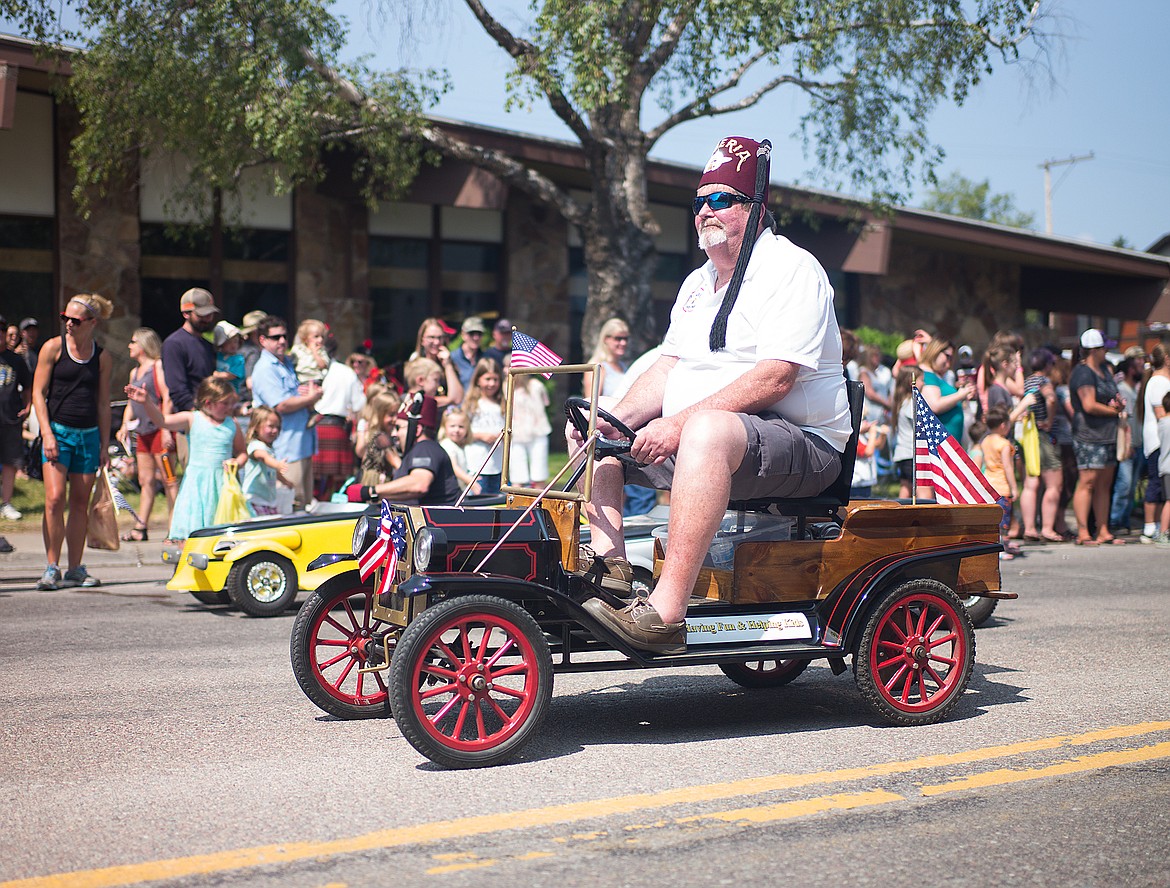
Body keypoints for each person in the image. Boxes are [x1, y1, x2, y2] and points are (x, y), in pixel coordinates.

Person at [578, 135, 851, 654]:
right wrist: (615, 417)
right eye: (701, 201)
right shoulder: (698, 283)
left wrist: (678, 425)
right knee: (595, 430)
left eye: (722, 199)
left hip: (807, 444)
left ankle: (665, 614)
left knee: (704, 431)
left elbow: (776, 379)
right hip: (719, 442)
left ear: (756, 207)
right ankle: (609, 570)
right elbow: (670, 364)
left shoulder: (792, 269)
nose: (706, 210)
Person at [32, 293, 115, 590]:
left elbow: (104, 403)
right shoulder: (53, 348)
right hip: (58, 432)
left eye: (75, 320)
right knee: (55, 499)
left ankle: (75, 568)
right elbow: (37, 394)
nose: (68, 323)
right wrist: (47, 434)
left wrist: (105, 446)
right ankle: (51, 567)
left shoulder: (102, 357)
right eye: (65, 317)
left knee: (80, 503)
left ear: (92, 323)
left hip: (89, 436)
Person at [126, 376, 244, 542]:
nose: (230, 407)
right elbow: (163, 420)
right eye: (225, 403)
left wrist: (237, 462)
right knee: (192, 531)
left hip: (222, 485)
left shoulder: (232, 424)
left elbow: (242, 452)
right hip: (197, 484)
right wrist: (146, 402)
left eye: (231, 403)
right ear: (208, 403)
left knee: (223, 533)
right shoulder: (192, 419)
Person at [250, 315, 321, 510]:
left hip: (301, 443)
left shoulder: (286, 362)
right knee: (290, 504)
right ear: (262, 340)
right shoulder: (264, 369)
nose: (282, 341)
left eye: (284, 336)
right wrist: (311, 398)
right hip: (285, 448)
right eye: (275, 337)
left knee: (304, 503)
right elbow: (280, 405)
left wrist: (306, 393)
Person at [116, 327, 177, 540]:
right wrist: (125, 425)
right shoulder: (135, 372)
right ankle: (140, 527)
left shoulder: (157, 366)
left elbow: (167, 397)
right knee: (145, 479)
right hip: (142, 431)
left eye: (133, 342)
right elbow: (132, 402)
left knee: (169, 480)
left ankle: (175, 528)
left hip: (160, 430)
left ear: (143, 345)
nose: (130, 346)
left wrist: (166, 427)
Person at [1070, 328, 1125, 546]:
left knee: (1104, 483)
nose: (1106, 352)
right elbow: (1089, 405)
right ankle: (1083, 532)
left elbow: (1106, 398)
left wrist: (1117, 404)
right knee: (1088, 482)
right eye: (1104, 348)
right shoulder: (1083, 373)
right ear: (1094, 350)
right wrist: (1114, 411)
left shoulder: (1104, 369)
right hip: (1088, 436)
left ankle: (1103, 530)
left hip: (1107, 435)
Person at [358, 395, 460, 506]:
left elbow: (419, 484)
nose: (394, 434)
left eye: (398, 427)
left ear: (417, 430)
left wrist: (370, 491)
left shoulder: (425, 448)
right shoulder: (419, 449)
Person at [312, 335, 367, 500]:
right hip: (336, 427)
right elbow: (359, 405)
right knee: (336, 482)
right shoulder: (346, 372)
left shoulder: (306, 370)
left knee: (312, 478)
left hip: (314, 425)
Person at [1019, 348, 1064, 543]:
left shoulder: (1026, 381)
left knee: (1030, 483)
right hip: (1043, 436)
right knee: (1054, 484)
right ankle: (1047, 528)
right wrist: (1049, 419)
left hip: (1026, 435)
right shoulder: (1044, 382)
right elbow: (1052, 399)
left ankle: (1029, 528)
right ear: (1047, 365)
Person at [161, 287, 218, 414]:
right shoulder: (174, 344)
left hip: (211, 414)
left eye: (210, 314)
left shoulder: (207, 344)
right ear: (186, 313)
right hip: (191, 420)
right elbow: (177, 390)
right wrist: (199, 415)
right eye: (202, 315)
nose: (207, 319)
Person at [0, 315, 33, 521]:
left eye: (2, 331)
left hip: (10, 418)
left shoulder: (16, 360)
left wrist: (28, 405)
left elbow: (28, 386)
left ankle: (7, 503)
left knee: (11, 462)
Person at [1109, 347, 1145, 533]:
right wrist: (1129, 443)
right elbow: (1123, 420)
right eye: (1139, 364)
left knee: (1131, 488)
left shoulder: (1137, 390)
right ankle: (1115, 521)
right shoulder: (1122, 389)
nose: (1142, 368)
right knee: (1123, 485)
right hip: (1128, 445)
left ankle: (1124, 520)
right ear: (1131, 368)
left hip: (1139, 444)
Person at [1138, 343, 1170, 543]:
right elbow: (1162, 414)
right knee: (1157, 483)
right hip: (1159, 440)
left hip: (1163, 439)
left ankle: (1158, 524)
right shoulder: (1158, 382)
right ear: (1167, 359)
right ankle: (1150, 526)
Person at [505, 353, 552, 488]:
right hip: (516, 432)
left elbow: (545, 403)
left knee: (539, 472)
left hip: (537, 430)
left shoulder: (536, 386)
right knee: (517, 473)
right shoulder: (506, 387)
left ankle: (539, 503)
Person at [979, 405, 1018, 561]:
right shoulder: (1004, 445)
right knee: (1003, 521)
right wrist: (1014, 487)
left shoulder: (985, 441)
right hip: (1002, 486)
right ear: (1003, 425)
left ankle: (999, 546)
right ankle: (1000, 549)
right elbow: (1008, 468)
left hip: (989, 485)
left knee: (993, 520)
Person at [919, 338, 975, 443]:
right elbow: (935, 405)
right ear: (935, 351)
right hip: (940, 445)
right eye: (947, 356)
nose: (948, 364)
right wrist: (961, 395)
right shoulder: (927, 375)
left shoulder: (935, 376)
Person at [463, 358, 506, 495]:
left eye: (495, 379)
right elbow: (462, 430)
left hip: (498, 466)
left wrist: (502, 436)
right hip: (477, 464)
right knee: (478, 503)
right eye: (487, 379)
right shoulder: (472, 403)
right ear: (478, 380)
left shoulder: (503, 404)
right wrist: (480, 436)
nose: (492, 384)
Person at [241, 406, 293, 516]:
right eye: (271, 426)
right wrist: (278, 464)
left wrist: (285, 482)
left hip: (268, 500)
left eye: (277, 427)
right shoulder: (256, 446)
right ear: (256, 426)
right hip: (255, 499)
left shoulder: (269, 449)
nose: (275, 430)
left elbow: (273, 471)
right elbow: (264, 458)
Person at [411, 318, 463, 408]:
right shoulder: (415, 365)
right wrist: (449, 399)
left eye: (440, 337)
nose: (437, 342)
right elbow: (417, 399)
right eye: (431, 337)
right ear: (422, 340)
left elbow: (458, 398)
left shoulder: (449, 364)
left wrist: (447, 365)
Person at [581, 318, 630, 398]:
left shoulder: (624, 367)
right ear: (606, 339)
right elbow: (591, 402)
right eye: (618, 338)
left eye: (625, 338)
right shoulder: (597, 366)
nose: (623, 343)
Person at [438, 408, 480, 493]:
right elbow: (454, 467)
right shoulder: (447, 444)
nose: (456, 430)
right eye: (452, 426)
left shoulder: (459, 446)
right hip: (451, 491)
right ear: (444, 427)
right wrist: (470, 481)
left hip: (459, 489)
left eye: (461, 427)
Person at [450, 316, 487, 393]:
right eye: (472, 333)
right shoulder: (452, 358)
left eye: (479, 334)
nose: (476, 337)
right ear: (463, 334)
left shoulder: (486, 358)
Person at [213, 320, 247, 398]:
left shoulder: (238, 359)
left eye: (235, 342)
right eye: (229, 342)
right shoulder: (219, 355)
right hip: (219, 390)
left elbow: (231, 376)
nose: (233, 345)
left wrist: (217, 375)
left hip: (233, 393)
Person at [1155, 392, 1170, 546]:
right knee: (1169, 502)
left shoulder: (1162, 422)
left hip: (1165, 467)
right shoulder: (1167, 423)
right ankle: (1163, 532)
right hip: (1168, 468)